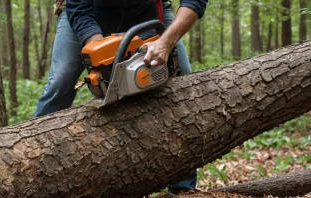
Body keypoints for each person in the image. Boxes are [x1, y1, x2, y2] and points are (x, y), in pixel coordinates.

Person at [34, 0, 207, 193]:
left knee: (181, 84)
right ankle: (33, 170)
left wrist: (165, 43)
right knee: (61, 80)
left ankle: (183, 190)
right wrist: (101, 52)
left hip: (149, 11)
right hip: (88, 11)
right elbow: (80, 8)